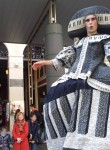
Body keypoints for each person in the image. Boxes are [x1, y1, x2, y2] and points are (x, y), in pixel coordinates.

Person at [32, 6, 110, 150]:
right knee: (53, 94)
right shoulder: (78, 43)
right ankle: (64, 136)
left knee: (94, 89)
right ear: (84, 23)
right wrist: (45, 62)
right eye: (88, 20)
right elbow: (62, 58)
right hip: (73, 75)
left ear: (97, 22)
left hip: (94, 72)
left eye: (93, 20)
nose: (91, 23)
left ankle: (97, 136)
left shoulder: (105, 38)